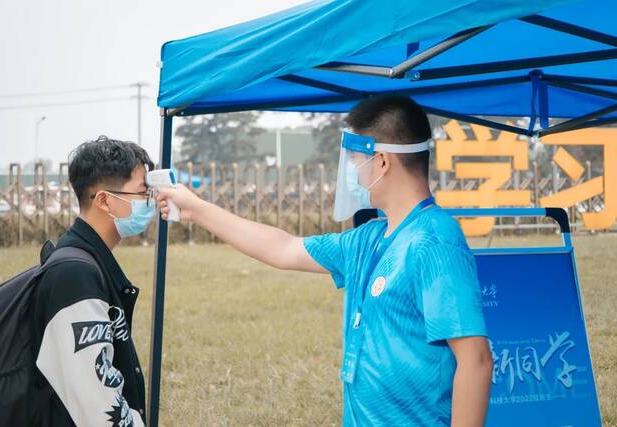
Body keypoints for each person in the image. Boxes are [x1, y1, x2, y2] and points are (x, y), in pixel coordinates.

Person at [157, 95, 493, 426]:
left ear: (382, 161)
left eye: (355, 161)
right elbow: (283, 248)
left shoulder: (434, 240)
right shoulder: (370, 238)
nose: (352, 174)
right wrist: (197, 210)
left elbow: (475, 360)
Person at [30, 136, 154, 426]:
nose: (150, 202)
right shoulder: (75, 275)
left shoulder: (89, 261)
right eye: (142, 193)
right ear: (104, 200)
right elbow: (96, 405)